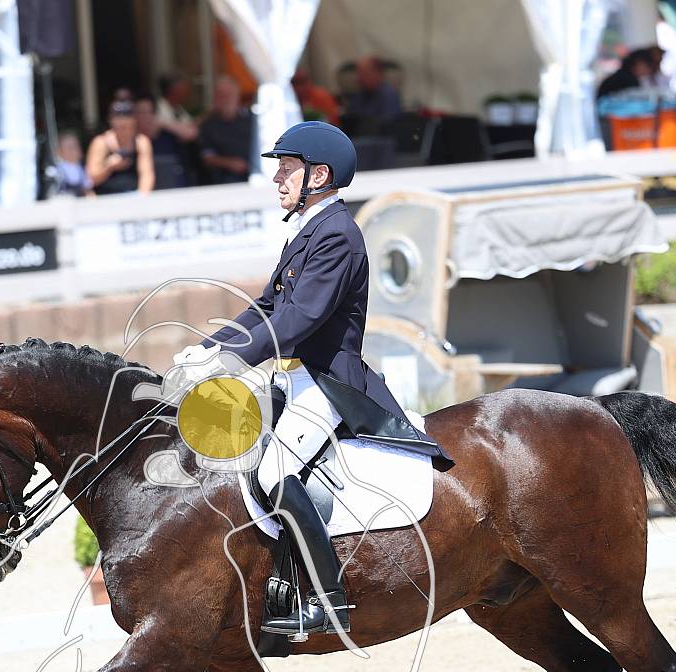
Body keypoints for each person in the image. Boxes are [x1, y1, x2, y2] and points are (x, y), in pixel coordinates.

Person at [168, 122, 454, 640]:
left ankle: (328, 600)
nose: (277, 177)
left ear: (319, 176)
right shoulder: (308, 231)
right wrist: (208, 350)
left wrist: (231, 362)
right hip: (294, 378)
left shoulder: (338, 235)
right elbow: (267, 307)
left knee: (275, 473)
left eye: (287, 168)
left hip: (329, 383)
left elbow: (301, 318)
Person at [86, 99, 155, 196]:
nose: (122, 122)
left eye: (127, 118)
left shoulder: (141, 142)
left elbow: (146, 175)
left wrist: (142, 198)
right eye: (118, 118)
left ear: (134, 120)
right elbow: (91, 180)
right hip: (105, 198)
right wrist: (109, 167)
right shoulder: (101, 142)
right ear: (111, 120)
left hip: (134, 196)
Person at [197, 76, 254, 185]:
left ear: (237, 96)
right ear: (215, 98)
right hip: (225, 179)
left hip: (255, 173)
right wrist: (231, 163)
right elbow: (208, 158)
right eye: (221, 95)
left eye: (229, 94)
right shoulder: (208, 124)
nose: (226, 99)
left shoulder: (251, 119)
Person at [135, 98, 187, 190]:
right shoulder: (130, 139)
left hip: (172, 190)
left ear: (154, 114)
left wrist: (163, 124)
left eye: (147, 112)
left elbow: (191, 134)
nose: (144, 116)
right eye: (140, 112)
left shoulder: (167, 134)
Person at [344, 56, 401, 123]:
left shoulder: (389, 95)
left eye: (364, 74)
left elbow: (388, 123)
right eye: (358, 74)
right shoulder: (359, 95)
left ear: (377, 73)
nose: (359, 79)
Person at [54, 131, 92, 196]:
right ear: (59, 151)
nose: (74, 150)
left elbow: (87, 189)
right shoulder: (58, 168)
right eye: (70, 148)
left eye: (76, 146)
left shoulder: (82, 167)